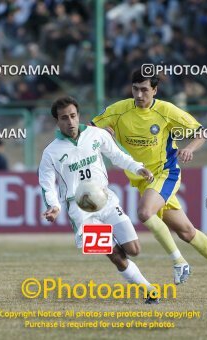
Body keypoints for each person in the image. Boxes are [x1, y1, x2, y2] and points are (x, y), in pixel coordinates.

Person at [91, 70, 207, 299]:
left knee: (144, 212)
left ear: (155, 90)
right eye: (135, 89)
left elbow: (201, 132)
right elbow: (90, 128)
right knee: (187, 232)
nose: (139, 94)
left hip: (165, 173)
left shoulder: (166, 111)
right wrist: (103, 133)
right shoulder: (119, 110)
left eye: (144, 89)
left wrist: (189, 149)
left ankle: (179, 262)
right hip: (144, 181)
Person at [39, 96, 159, 304]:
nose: (70, 122)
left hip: (106, 200)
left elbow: (117, 155)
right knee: (114, 255)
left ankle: (118, 251)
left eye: (73, 116)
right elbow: (47, 183)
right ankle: (148, 290)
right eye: (64, 118)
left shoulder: (97, 135)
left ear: (78, 115)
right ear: (57, 122)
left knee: (134, 250)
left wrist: (138, 167)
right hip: (80, 211)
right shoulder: (51, 152)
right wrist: (54, 206)